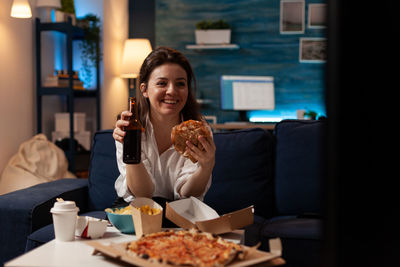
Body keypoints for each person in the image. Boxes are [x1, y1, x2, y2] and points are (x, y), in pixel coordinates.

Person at [112, 47, 216, 210]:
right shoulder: (128, 128)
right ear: (144, 90)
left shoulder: (199, 131)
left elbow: (187, 195)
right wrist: (131, 147)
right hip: (137, 209)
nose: (172, 91)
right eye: (162, 83)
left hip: (181, 210)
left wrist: (206, 167)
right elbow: (143, 194)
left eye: (180, 84)